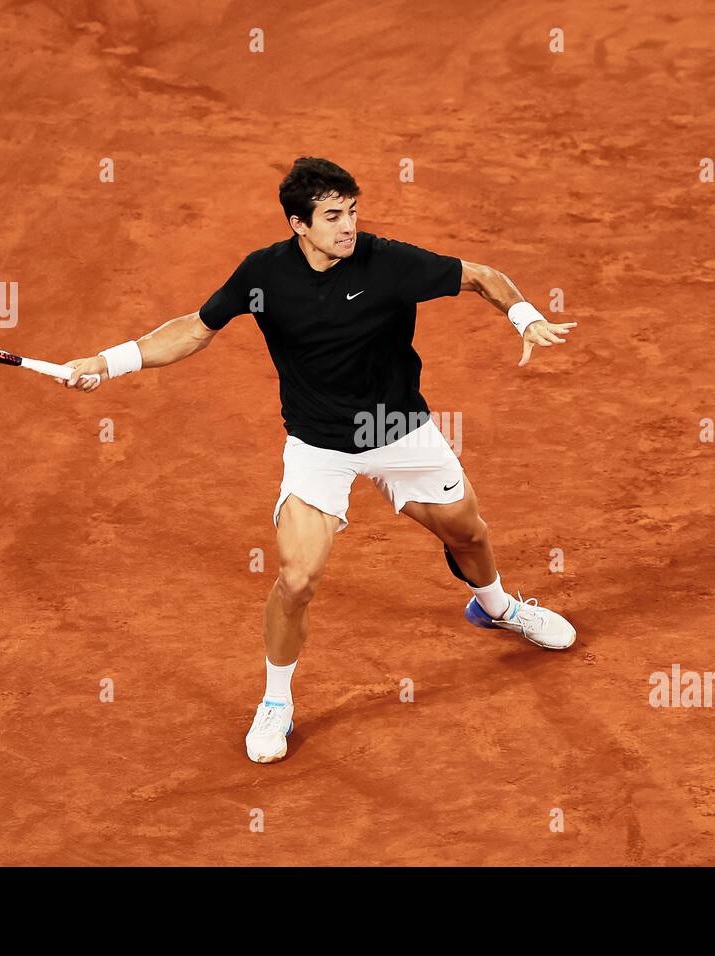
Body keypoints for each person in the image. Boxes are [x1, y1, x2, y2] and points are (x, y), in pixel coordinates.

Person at [64, 157, 578, 763]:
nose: (349, 226)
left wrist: (525, 317)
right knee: (298, 578)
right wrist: (105, 363)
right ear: (298, 224)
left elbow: (482, 276)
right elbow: (194, 330)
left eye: (353, 211)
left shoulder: (387, 262)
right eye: (333, 216)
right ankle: (276, 701)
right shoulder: (264, 275)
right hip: (319, 446)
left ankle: (496, 607)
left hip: (399, 430)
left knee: (467, 531)